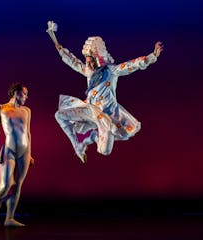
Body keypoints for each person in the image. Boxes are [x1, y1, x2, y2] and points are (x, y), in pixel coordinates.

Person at [48, 23, 163, 163]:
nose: (88, 65)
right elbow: (74, 62)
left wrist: (152, 56)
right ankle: (77, 145)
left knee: (104, 151)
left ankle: (93, 137)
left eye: (90, 62)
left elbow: (131, 65)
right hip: (90, 110)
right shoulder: (89, 72)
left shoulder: (111, 71)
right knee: (59, 115)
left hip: (106, 117)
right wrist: (60, 48)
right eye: (87, 62)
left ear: (98, 59)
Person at [0, 82, 34, 227]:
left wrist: (30, 153)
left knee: (18, 185)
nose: (26, 97)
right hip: (9, 150)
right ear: (15, 93)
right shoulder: (1, 109)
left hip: (24, 152)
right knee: (6, 184)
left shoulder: (27, 110)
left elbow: (28, 132)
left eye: (26, 94)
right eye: (24, 94)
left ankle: (9, 218)